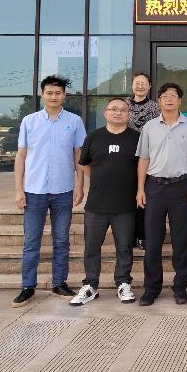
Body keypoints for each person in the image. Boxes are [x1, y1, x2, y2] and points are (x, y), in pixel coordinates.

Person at [12, 75, 86, 308]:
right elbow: (21, 156)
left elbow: (79, 156)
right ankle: (27, 286)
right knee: (31, 241)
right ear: (42, 95)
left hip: (63, 190)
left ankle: (59, 283)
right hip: (34, 191)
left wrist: (80, 186)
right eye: (49, 93)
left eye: (58, 93)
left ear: (64, 95)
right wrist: (18, 190)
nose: (54, 96)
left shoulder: (74, 121)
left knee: (61, 240)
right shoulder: (29, 121)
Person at [136, 82, 187, 306]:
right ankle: (151, 288)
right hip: (154, 188)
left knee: (181, 241)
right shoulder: (149, 127)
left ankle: (180, 287)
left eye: (173, 96)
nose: (169, 99)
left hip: (181, 187)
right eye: (164, 96)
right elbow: (143, 159)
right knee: (152, 241)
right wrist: (140, 188)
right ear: (159, 101)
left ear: (180, 100)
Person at [72, 97, 139, 306]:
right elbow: (83, 163)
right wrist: (98, 178)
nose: (118, 113)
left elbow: (142, 167)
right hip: (96, 204)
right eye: (113, 109)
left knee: (124, 247)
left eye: (123, 110)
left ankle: (123, 283)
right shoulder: (94, 137)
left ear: (128, 114)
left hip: (125, 204)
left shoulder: (137, 138)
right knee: (91, 247)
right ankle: (90, 285)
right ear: (105, 113)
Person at [127, 71, 160, 251]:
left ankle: (143, 235)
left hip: (149, 157)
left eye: (144, 83)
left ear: (149, 86)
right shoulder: (124, 105)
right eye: (137, 83)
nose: (140, 86)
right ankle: (128, 235)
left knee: (144, 196)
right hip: (126, 156)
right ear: (132, 85)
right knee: (127, 196)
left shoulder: (155, 107)